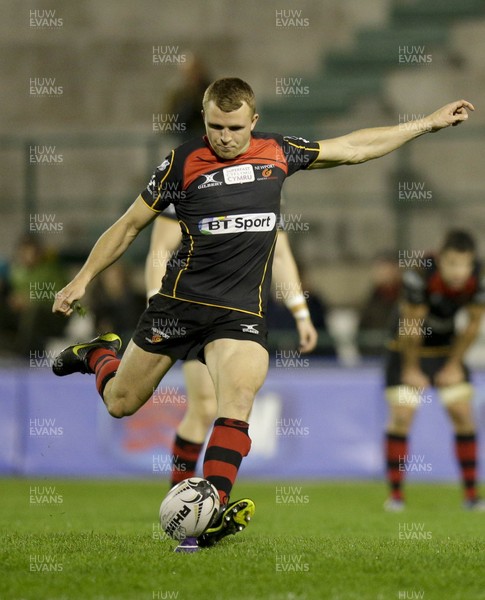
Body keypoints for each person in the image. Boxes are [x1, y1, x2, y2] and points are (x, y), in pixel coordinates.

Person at [51, 77, 473, 550]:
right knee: (120, 403)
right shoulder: (180, 164)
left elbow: (354, 146)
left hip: (239, 316)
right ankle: (99, 354)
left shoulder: (277, 153)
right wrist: (82, 278)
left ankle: (209, 513)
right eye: (215, 126)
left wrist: (426, 123)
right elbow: (129, 226)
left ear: (254, 121)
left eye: (234, 127)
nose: (224, 137)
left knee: (236, 402)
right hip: (178, 308)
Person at [145, 211, 318, 489]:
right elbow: (161, 248)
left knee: (236, 408)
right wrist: (156, 303)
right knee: (203, 407)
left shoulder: (269, 174)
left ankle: (216, 498)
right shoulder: (189, 170)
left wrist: (301, 313)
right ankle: (179, 493)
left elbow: (281, 254)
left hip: (243, 313)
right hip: (194, 308)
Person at [384, 230, 485, 511]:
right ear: (441, 260)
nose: (458, 271)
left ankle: (471, 496)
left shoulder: (480, 278)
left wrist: (453, 365)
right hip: (404, 349)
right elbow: (411, 327)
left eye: (464, 264)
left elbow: (473, 325)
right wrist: (411, 369)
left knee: (463, 413)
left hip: (444, 352)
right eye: (452, 263)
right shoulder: (419, 274)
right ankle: (395, 497)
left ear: (472, 262)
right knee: (402, 415)